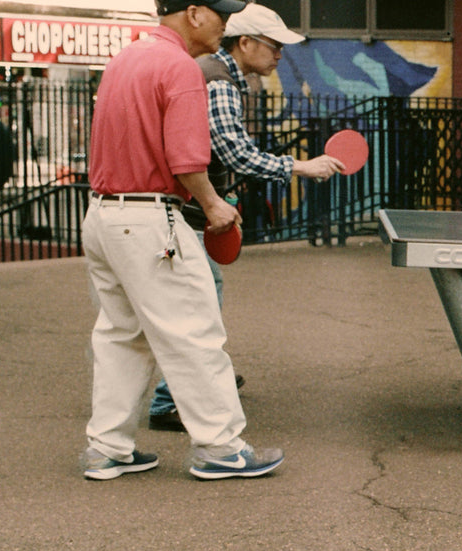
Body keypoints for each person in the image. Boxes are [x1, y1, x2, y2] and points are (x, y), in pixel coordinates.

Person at [80, 0, 284, 482]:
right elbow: (187, 159)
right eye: (220, 14)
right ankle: (221, 449)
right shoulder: (180, 67)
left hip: (103, 214)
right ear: (194, 13)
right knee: (194, 331)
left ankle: (107, 448)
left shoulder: (127, 58)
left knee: (120, 336)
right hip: (151, 219)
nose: (226, 25)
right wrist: (214, 204)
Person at [147, 2, 345, 432]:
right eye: (274, 46)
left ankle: (201, 379)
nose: (279, 56)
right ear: (246, 42)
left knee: (195, 301)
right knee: (199, 304)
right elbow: (233, 151)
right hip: (186, 212)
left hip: (186, 210)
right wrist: (301, 166)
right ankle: (168, 400)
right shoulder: (218, 80)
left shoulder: (225, 77)